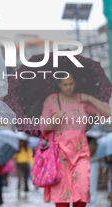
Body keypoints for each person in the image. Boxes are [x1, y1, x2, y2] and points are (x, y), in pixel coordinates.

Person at [41, 73, 111, 207]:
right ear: (59, 85)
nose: (68, 87)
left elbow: (107, 113)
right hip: (59, 157)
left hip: (81, 155)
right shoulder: (51, 101)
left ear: (75, 83)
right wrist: (55, 120)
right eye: (65, 84)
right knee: (62, 198)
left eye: (71, 84)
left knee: (82, 192)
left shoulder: (82, 100)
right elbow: (43, 130)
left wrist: (89, 98)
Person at [87, 136, 98, 207]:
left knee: (92, 184)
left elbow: (91, 151)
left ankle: (91, 204)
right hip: (86, 162)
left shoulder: (92, 139)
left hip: (92, 162)